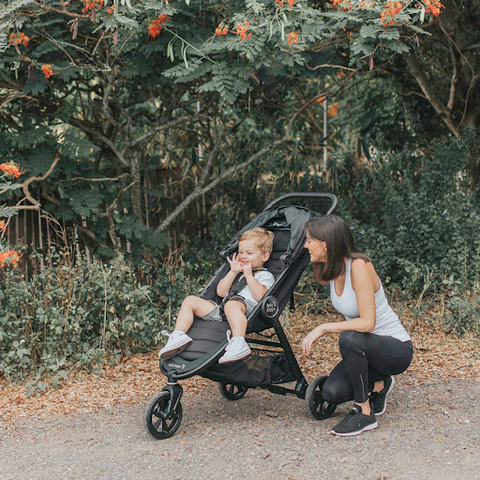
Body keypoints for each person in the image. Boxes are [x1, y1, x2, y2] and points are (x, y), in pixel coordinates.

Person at [302, 215, 413, 437]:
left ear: (325, 243)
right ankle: (380, 385)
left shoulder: (359, 266)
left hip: (395, 349)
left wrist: (323, 327)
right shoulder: (330, 269)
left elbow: (368, 323)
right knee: (331, 393)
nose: (305, 245)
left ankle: (364, 413)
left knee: (349, 337)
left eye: (308, 240)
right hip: (367, 350)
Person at [159, 228, 275, 364]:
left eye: (249, 253)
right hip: (225, 308)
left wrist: (249, 276)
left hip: (249, 310)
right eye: (241, 252)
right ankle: (178, 335)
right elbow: (221, 292)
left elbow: (261, 296)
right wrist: (233, 272)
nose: (243, 256)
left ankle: (239, 341)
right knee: (190, 301)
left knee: (232, 303)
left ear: (264, 257)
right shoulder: (238, 273)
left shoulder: (265, 275)